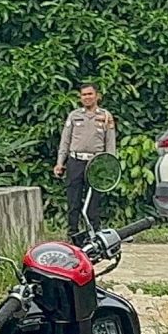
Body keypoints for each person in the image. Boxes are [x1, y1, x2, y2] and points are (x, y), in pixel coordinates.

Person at [55, 83, 117, 236]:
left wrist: (110, 165)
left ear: (97, 96)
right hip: (75, 161)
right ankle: (73, 234)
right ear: (80, 97)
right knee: (73, 200)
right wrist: (60, 163)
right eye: (84, 95)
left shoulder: (105, 116)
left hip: (96, 163)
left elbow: (110, 143)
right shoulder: (74, 115)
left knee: (94, 201)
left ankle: (94, 233)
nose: (87, 97)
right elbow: (65, 140)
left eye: (90, 94)